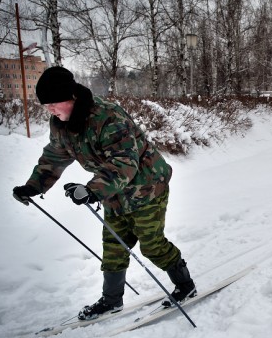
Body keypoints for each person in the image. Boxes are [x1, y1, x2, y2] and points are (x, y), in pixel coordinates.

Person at [12, 66, 197, 320]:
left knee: (152, 246)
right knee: (113, 248)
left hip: (147, 188)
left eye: (54, 103)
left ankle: (186, 286)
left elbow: (124, 163)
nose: (50, 110)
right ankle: (111, 301)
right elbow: (54, 157)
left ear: (71, 97)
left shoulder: (107, 117)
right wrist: (33, 187)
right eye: (46, 106)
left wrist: (91, 190)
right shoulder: (61, 125)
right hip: (114, 195)